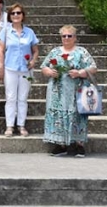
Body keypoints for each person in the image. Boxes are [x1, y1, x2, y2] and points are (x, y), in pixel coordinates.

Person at [41, 25, 98, 157]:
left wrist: (80, 72)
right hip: (57, 91)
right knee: (58, 115)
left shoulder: (81, 52)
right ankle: (61, 144)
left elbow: (93, 68)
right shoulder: (55, 52)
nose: (66, 38)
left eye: (69, 36)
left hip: (76, 90)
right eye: (64, 36)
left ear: (75, 38)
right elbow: (44, 67)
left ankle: (79, 145)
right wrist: (50, 72)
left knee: (77, 115)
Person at [0, 3, 39, 137]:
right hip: (10, 68)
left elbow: (35, 50)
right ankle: (9, 126)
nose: (16, 15)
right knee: (10, 98)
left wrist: (33, 61)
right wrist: (0, 66)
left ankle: (21, 125)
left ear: (23, 15)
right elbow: (1, 50)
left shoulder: (30, 32)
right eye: (13, 13)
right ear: (10, 16)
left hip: (25, 69)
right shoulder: (5, 31)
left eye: (18, 13)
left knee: (22, 98)